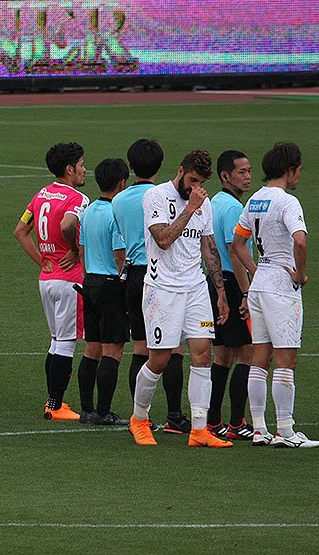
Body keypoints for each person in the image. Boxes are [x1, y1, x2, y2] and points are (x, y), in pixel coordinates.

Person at [129, 150, 232, 448]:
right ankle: (139, 419)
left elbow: (208, 247)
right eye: (192, 180)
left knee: (202, 354)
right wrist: (190, 208)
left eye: (201, 183)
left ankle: (199, 430)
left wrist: (220, 292)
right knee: (160, 359)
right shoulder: (156, 197)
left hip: (195, 287)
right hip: (162, 289)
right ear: (180, 171)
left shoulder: (204, 202)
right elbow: (162, 239)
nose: (196, 188)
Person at [232, 142, 319, 448]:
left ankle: (259, 429)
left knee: (260, 358)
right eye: (299, 170)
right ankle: (285, 431)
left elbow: (238, 243)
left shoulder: (254, 199)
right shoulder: (287, 202)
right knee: (286, 359)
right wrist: (299, 273)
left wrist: (257, 270)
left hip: (260, 286)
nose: (299, 176)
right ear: (290, 169)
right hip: (281, 287)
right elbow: (300, 241)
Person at [111, 138, 188, 433]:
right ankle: (175, 415)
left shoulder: (119, 200)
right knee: (174, 349)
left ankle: (140, 416)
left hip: (133, 275)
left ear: (130, 166)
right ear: (160, 165)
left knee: (141, 348)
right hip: (163, 274)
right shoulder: (163, 196)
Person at [13, 143, 88, 421]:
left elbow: (20, 231)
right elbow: (68, 224)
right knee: (66, 343)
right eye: (81, 164)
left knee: (56, 342)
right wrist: (74, 250)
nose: (84, 169)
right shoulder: (78, 198)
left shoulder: (41, 195)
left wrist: (43, 261)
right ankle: (55, 406)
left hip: (46, 279)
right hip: (69, 280)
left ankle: (53, 401)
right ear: (69, 169)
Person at [77, 157, 132, 426]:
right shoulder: (115, 213)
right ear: (121, 183)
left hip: (90, 282)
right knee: (113, 350)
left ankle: (86, 409)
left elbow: (82, 249)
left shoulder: (88, 211)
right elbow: (120, 255)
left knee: (92, 349)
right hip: (111, 284)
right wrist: (124, 283)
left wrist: (88, 276)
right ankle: (103, 412)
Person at [205, 150, 255, 441]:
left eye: (249, 171)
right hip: (233, 284)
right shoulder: (234, 208)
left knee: (222, 354)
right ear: (225, 176)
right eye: (241, 172)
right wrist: (246, 292)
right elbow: (235, 251)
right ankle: (237, 422)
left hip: (215, 283)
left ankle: (213, 420)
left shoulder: (214, 203)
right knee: (247, 353)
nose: (248, 177)